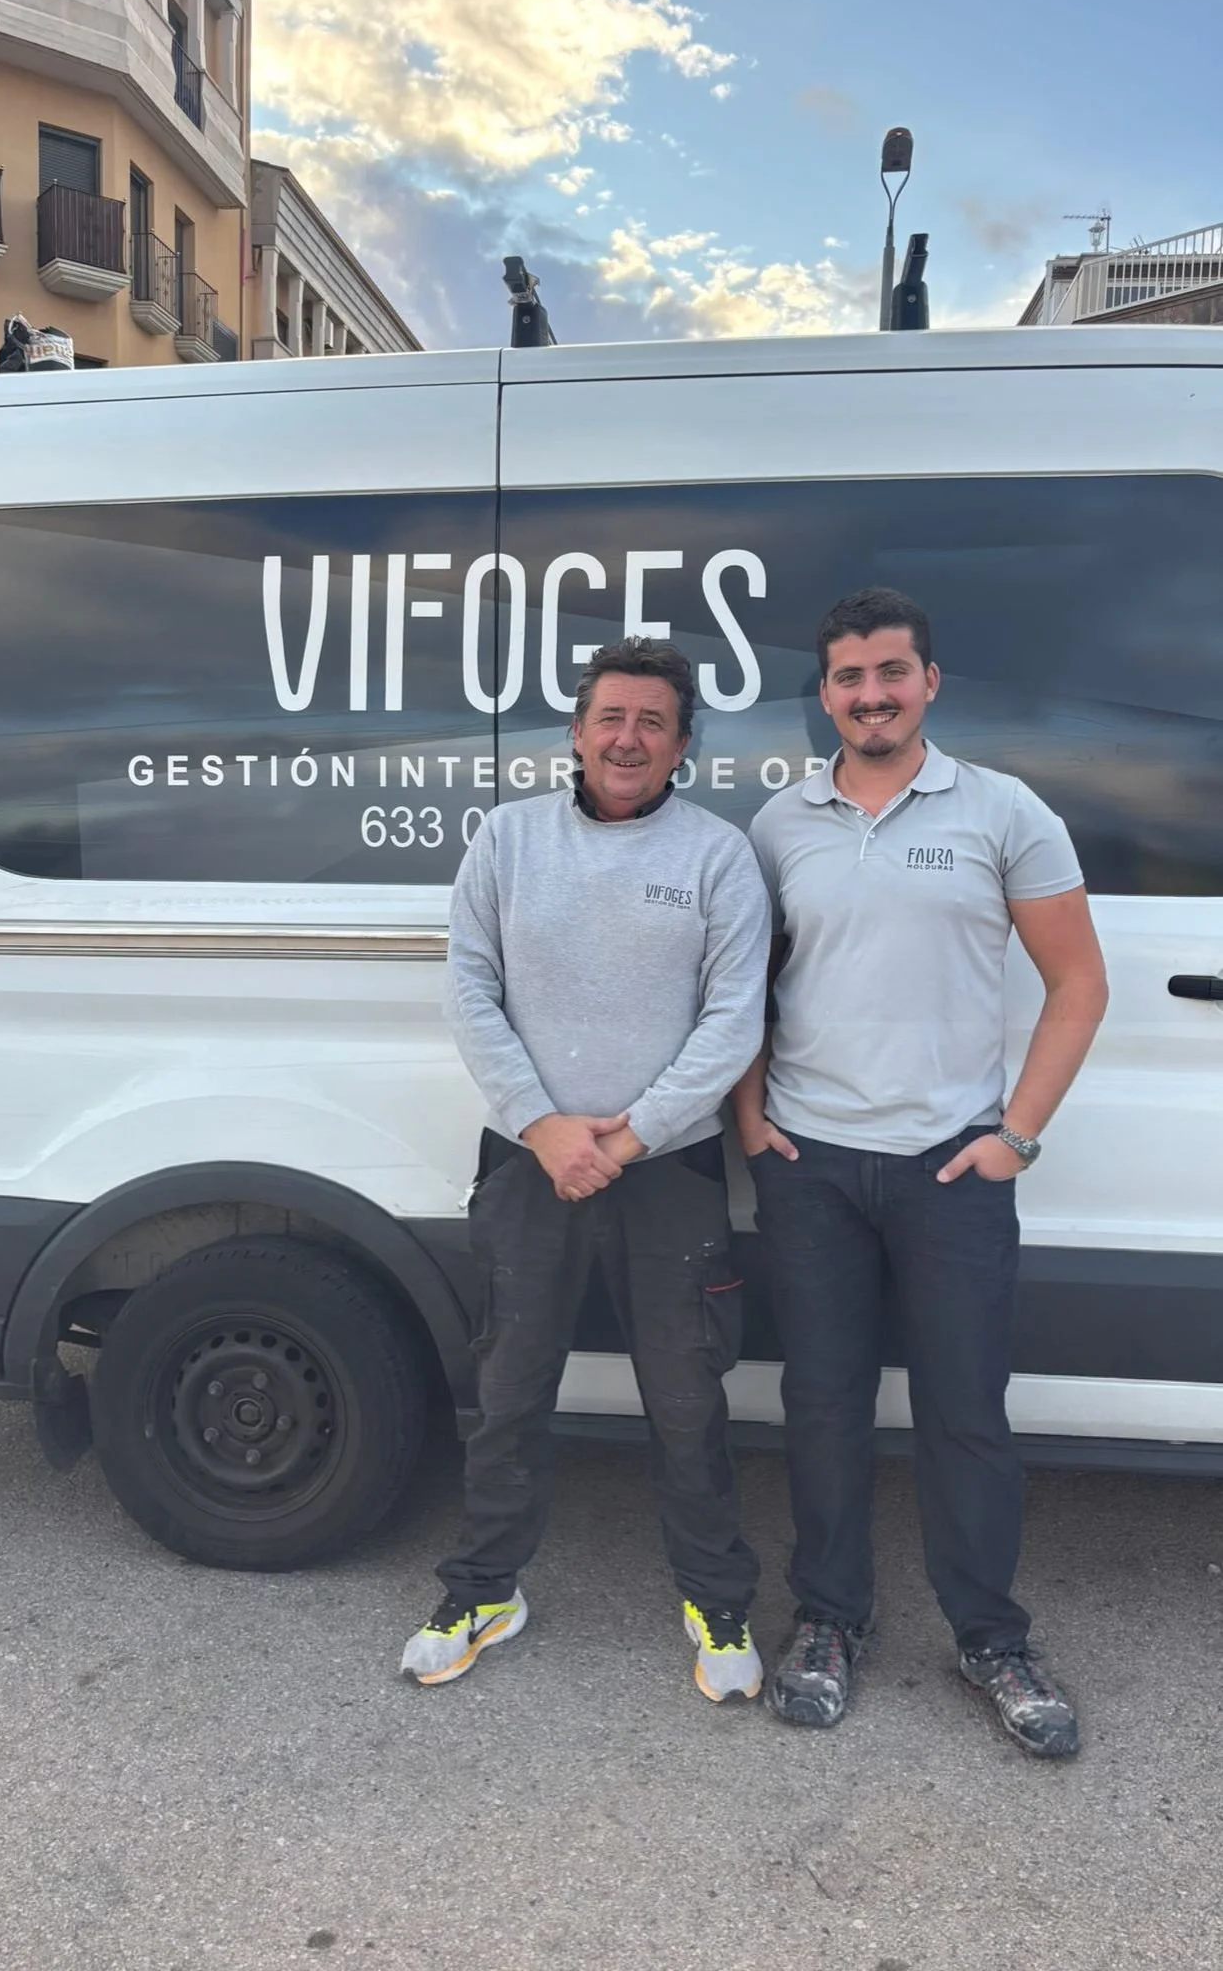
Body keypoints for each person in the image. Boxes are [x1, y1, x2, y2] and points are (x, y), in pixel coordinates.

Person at [733, 587, 1108, 1759]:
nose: (871, 694)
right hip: (812, 1167)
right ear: (826, 693)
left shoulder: (1004, 810)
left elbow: (1079, 980)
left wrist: (1017, 1136)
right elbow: (742, 988)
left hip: (953, 1169)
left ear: (930, 682)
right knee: (823, 1405)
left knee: (965, 1413)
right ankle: (828, 1619)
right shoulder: (779, 824)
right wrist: (750, 1119)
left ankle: (991, 1637)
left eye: (891, 671)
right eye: (849, 677)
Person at [401, 636, 771, 1700]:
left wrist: (628, 1135)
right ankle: (483, 1589)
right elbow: (469, 987)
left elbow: (734, 1019)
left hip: (670, 1170)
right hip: (531, 1164)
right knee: (510, 1391)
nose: (629, 738)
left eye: (654, 722)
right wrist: (543, 1127)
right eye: (611, 716)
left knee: (687, 1401)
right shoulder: (508, 839)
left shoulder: (718, 856)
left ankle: (716, 1599)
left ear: (683, 745)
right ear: (575, 731)